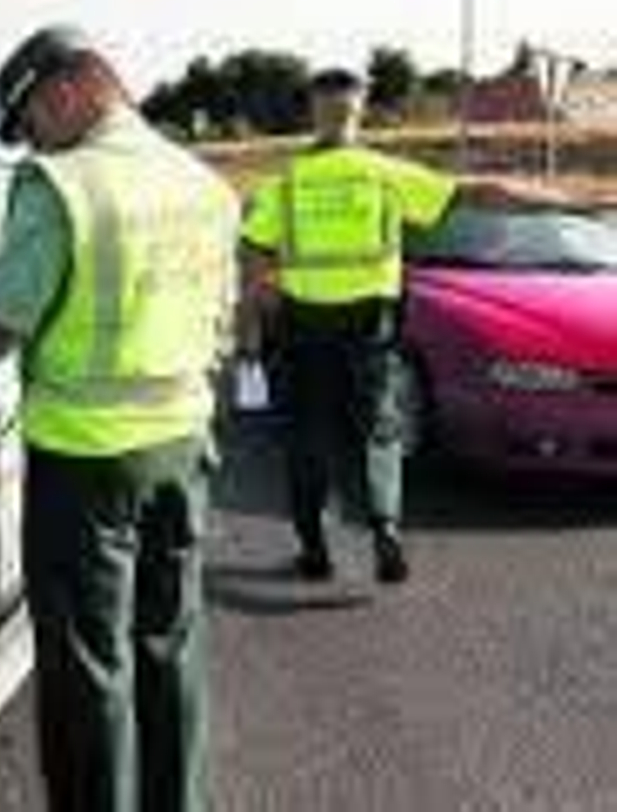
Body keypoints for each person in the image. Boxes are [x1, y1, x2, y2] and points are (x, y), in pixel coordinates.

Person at [0, 25, 238, 812]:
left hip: (87, 465)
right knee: (172, 646)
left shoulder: (65, 186)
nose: (32, 143)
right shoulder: (204, 185)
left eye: (31, 122)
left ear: (68, 90)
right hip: (184, 447)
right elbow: (219, 323)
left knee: (89, 672)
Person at [238, 66, 562, 585]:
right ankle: (385, 526)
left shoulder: (286, 182)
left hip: (304, 324)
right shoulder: (384, 173)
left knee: (308, 436)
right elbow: (477, 194)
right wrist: (566, 202)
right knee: (379, 427)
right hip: (372, 321)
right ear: (359, 110)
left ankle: (315, 551)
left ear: (314, 111)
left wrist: (254, 318)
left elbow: (253, 250)